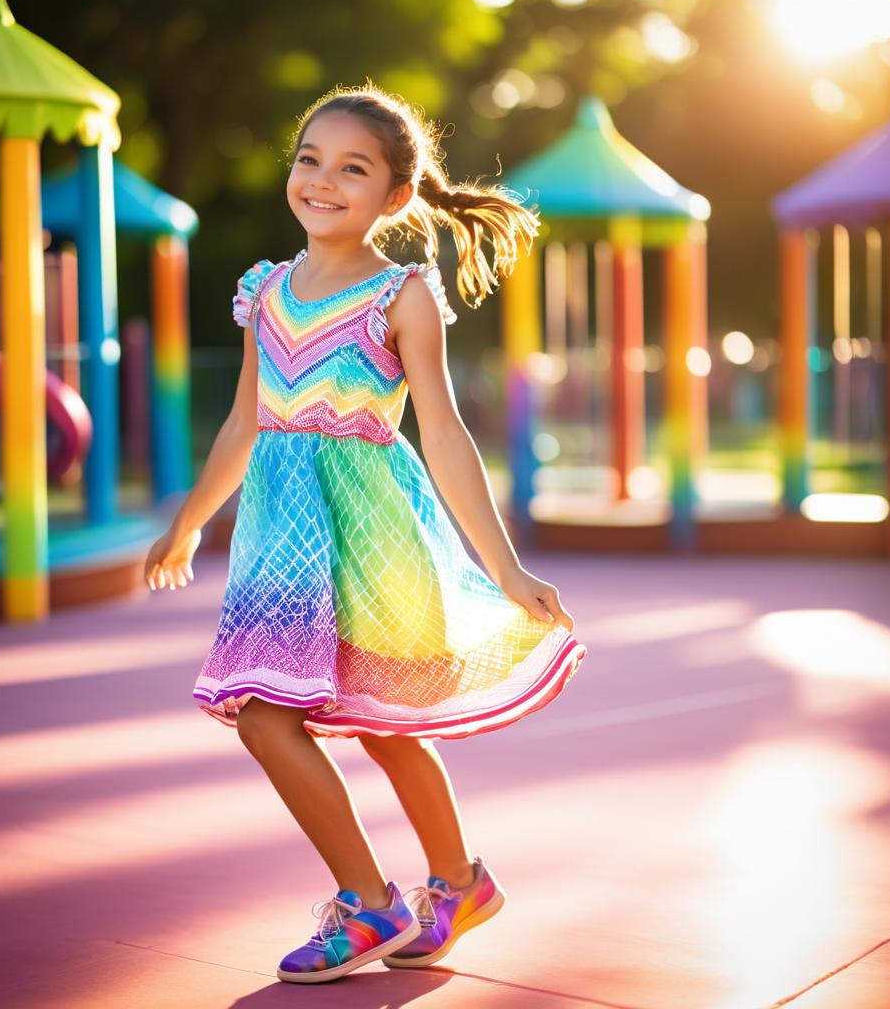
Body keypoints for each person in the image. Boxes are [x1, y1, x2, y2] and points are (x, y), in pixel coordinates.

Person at [143, 82, 587, 984]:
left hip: (375, 534)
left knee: (386, 726)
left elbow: (447, 436)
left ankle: (450, 887)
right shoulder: (264, 291)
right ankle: (373, 899)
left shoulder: (403, 296)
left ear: (394, 197)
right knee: (264, 717)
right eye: (310, 159)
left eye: (353, 168)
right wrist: (188, 522)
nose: (322, 180)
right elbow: (243, 423)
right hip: (280, 542)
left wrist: (502, 568)